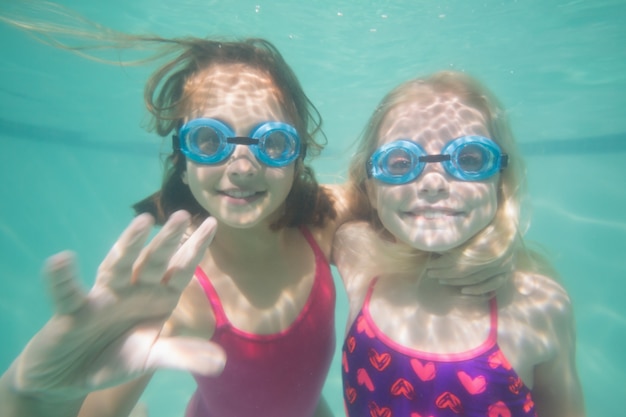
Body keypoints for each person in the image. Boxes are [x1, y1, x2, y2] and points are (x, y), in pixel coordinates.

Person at [0, 6, 510, 416]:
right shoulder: (180, 290)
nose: (241, 166)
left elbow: (420, 201)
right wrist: (32, 396)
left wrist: (492, 246)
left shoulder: (320, 217)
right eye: (209, 139)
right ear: (182, 158)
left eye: (270, 143)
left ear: (297, 155)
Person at [334, 71, 585, 417]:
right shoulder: (359, 256)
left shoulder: (538, 305)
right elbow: (296, 202)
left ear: (501, 181)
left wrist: (501, 240)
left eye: (468, 160)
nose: (434, 182)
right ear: (372, 188)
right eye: (401, 163)